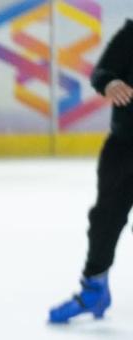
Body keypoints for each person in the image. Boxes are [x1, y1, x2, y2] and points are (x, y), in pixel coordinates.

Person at [48, 19, 133, 323]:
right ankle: (95, 289)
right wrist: (110, 83)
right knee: (105, 219)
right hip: (125, 145)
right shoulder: (131, 34)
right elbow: (101, 72)